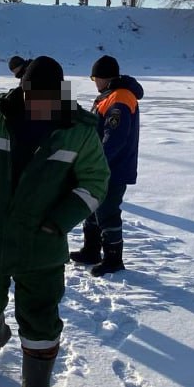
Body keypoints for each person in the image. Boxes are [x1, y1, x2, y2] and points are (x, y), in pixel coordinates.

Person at [0, 56, 110, 387]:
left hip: (41, 246)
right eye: (30, 95)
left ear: (59, 95)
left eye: (46, 98)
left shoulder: (77, 130)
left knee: (40, 323)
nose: (37, 104)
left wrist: (58, 222)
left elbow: (95, 182)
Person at [70, 55, 143, 276]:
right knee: (92, 206)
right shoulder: (109, 96)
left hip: (113, 168)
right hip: (101, 166)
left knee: (107, 211)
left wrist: (96, 161)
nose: (94, 83)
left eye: (95, 78)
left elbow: (114, 138)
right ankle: (91, 250)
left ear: (104, 77)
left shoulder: (120, 98)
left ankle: (113, 259)